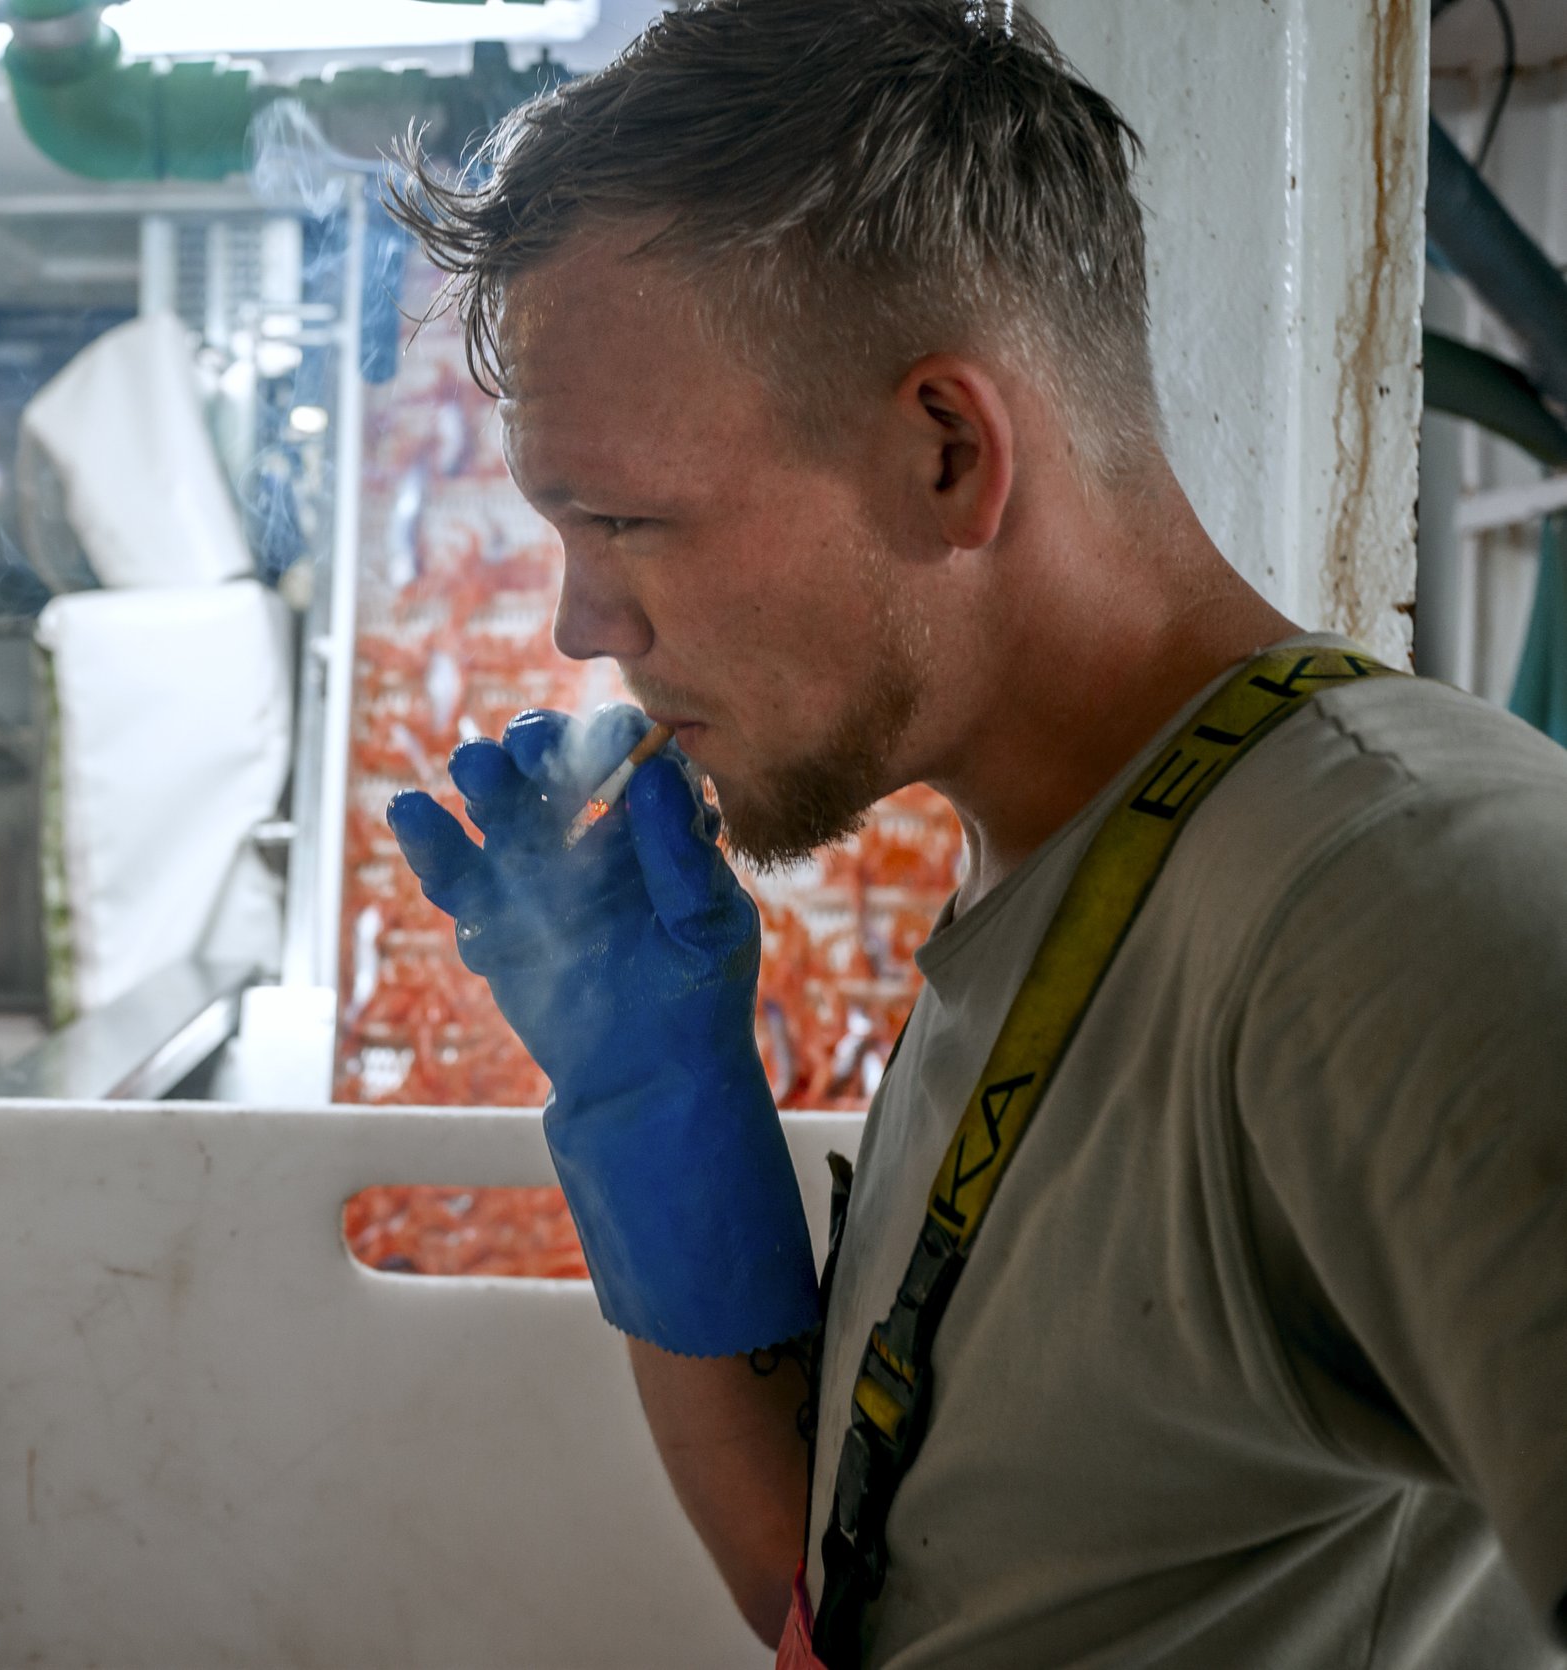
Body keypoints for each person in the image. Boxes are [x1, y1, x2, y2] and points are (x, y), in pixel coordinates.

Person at [380, 4, 1567, 1667]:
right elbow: (856, 1594)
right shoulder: (1059, 872)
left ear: (947, 454)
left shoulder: (1387, 896)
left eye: (627, 519)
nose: (584, 626)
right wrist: (654, 1116)